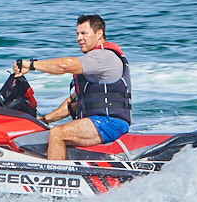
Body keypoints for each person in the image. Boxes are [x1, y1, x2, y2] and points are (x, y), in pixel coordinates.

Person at [14, 14, 131, 161]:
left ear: (99, 33)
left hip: (110, 122)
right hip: (99, 122)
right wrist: (44, 120)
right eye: (77, 34)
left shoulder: (104, 56)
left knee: (58, 134)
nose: (78, 38)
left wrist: (31, 65)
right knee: (49, 131)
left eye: (84, 33)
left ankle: (53, 179)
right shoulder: (94, 63)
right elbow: (74, 103)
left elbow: (64, 65)